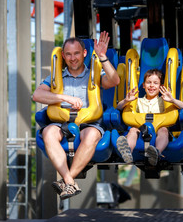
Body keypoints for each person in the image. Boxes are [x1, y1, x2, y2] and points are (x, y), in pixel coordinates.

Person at [32, 31, 120, 200]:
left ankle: (67, 181)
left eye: (77, 53)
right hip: (61, 123)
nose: (73, 58)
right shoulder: (56, 77)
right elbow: (37, 95)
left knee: (93, 134)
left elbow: (114, 80)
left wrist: (102, 56)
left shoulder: (94, 75)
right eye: (69, 54)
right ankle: (70, 181)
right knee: (48, 133)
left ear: (84, 53)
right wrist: (65, 97)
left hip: (88, 123)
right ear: (63, 56)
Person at [116, 69, 183, 165]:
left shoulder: (164, 101)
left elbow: (182, 106)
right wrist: (126, 100)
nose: (152, 85)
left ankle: (156, 152)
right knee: (132, 130)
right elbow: (118, 107)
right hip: (141, 131)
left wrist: (172, 100)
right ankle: (127, 152)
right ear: (143, 85)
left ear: (161, 86)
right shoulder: (138, 101)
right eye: (148, 82)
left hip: (159, 131)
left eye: (155, 83)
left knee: (164, 130)